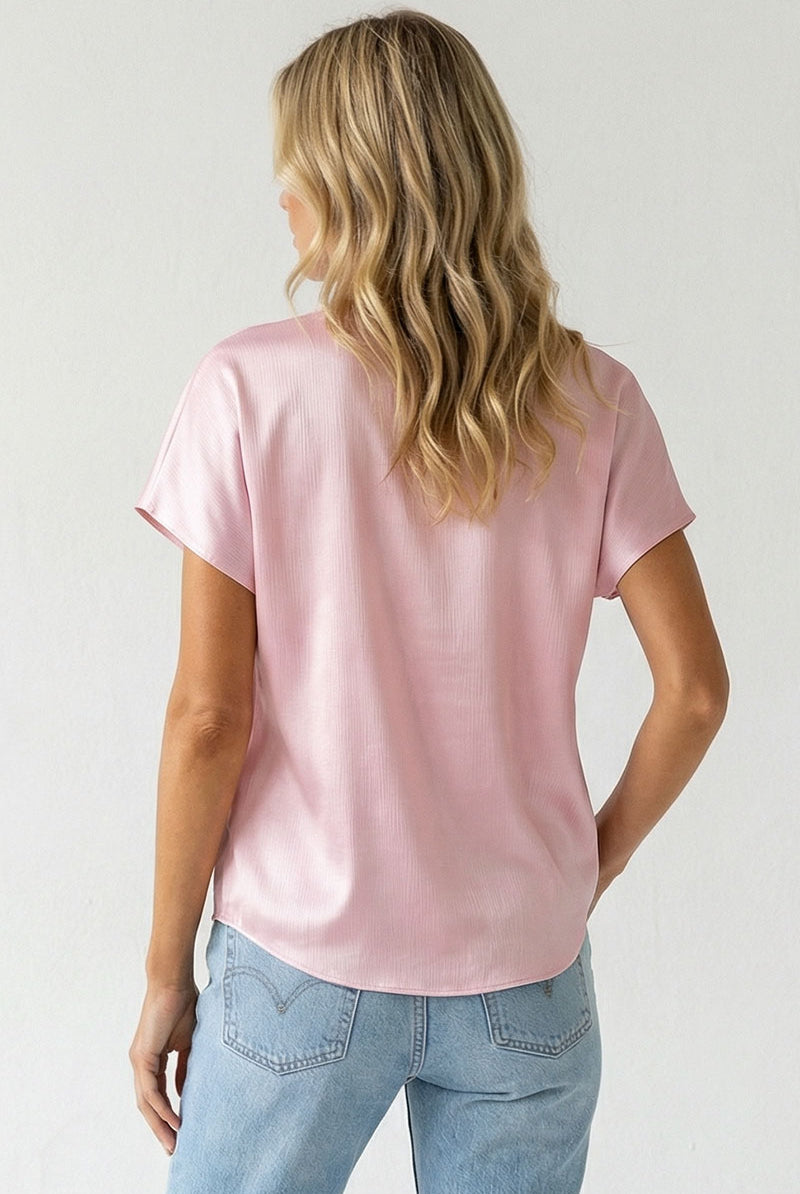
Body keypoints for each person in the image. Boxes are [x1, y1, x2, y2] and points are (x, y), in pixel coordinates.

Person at [128, 9, 729, 1192]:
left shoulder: (247, 391)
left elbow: (207, 718)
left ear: (350, 184)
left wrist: (162, 973)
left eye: (297, 167)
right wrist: (583, 868)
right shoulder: (594, 398)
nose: (281, 197)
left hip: (299, 960)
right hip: (523, 974)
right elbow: (695, 693)